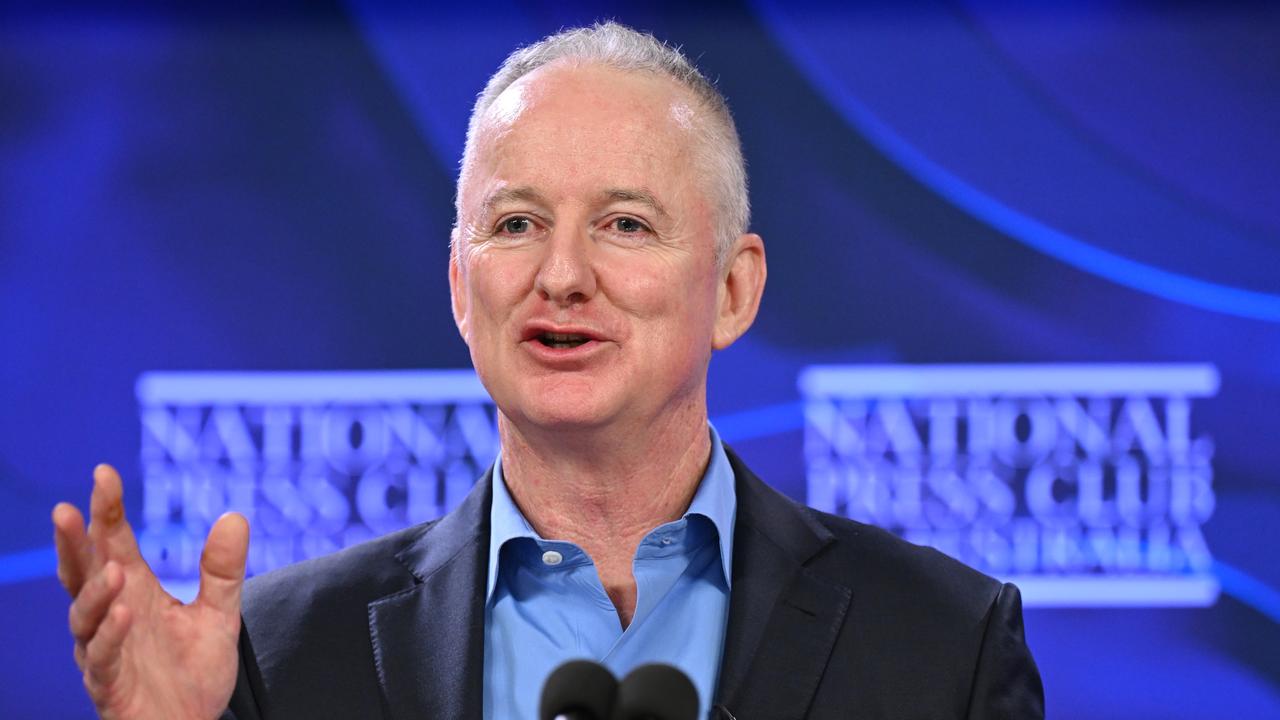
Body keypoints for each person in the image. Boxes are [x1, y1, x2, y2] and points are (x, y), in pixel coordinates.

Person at [53, 22, 1044, 720]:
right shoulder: (278, 654)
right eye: (517, 223)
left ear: (734, 291)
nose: (561, 275)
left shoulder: (943, 643)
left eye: (625, 224)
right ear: (459, 286)